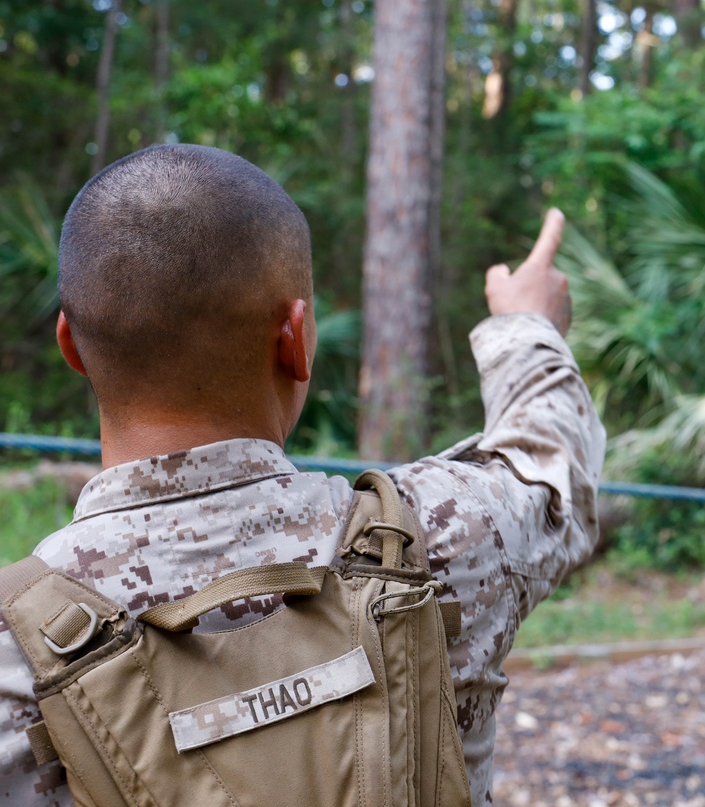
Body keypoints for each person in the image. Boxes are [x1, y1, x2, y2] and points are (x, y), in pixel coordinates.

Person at [0, 144, 606, 806]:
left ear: (71, 346)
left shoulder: (13, 654)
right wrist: (526, 327)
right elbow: (551, 474)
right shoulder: (442, 538)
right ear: (295, 338)